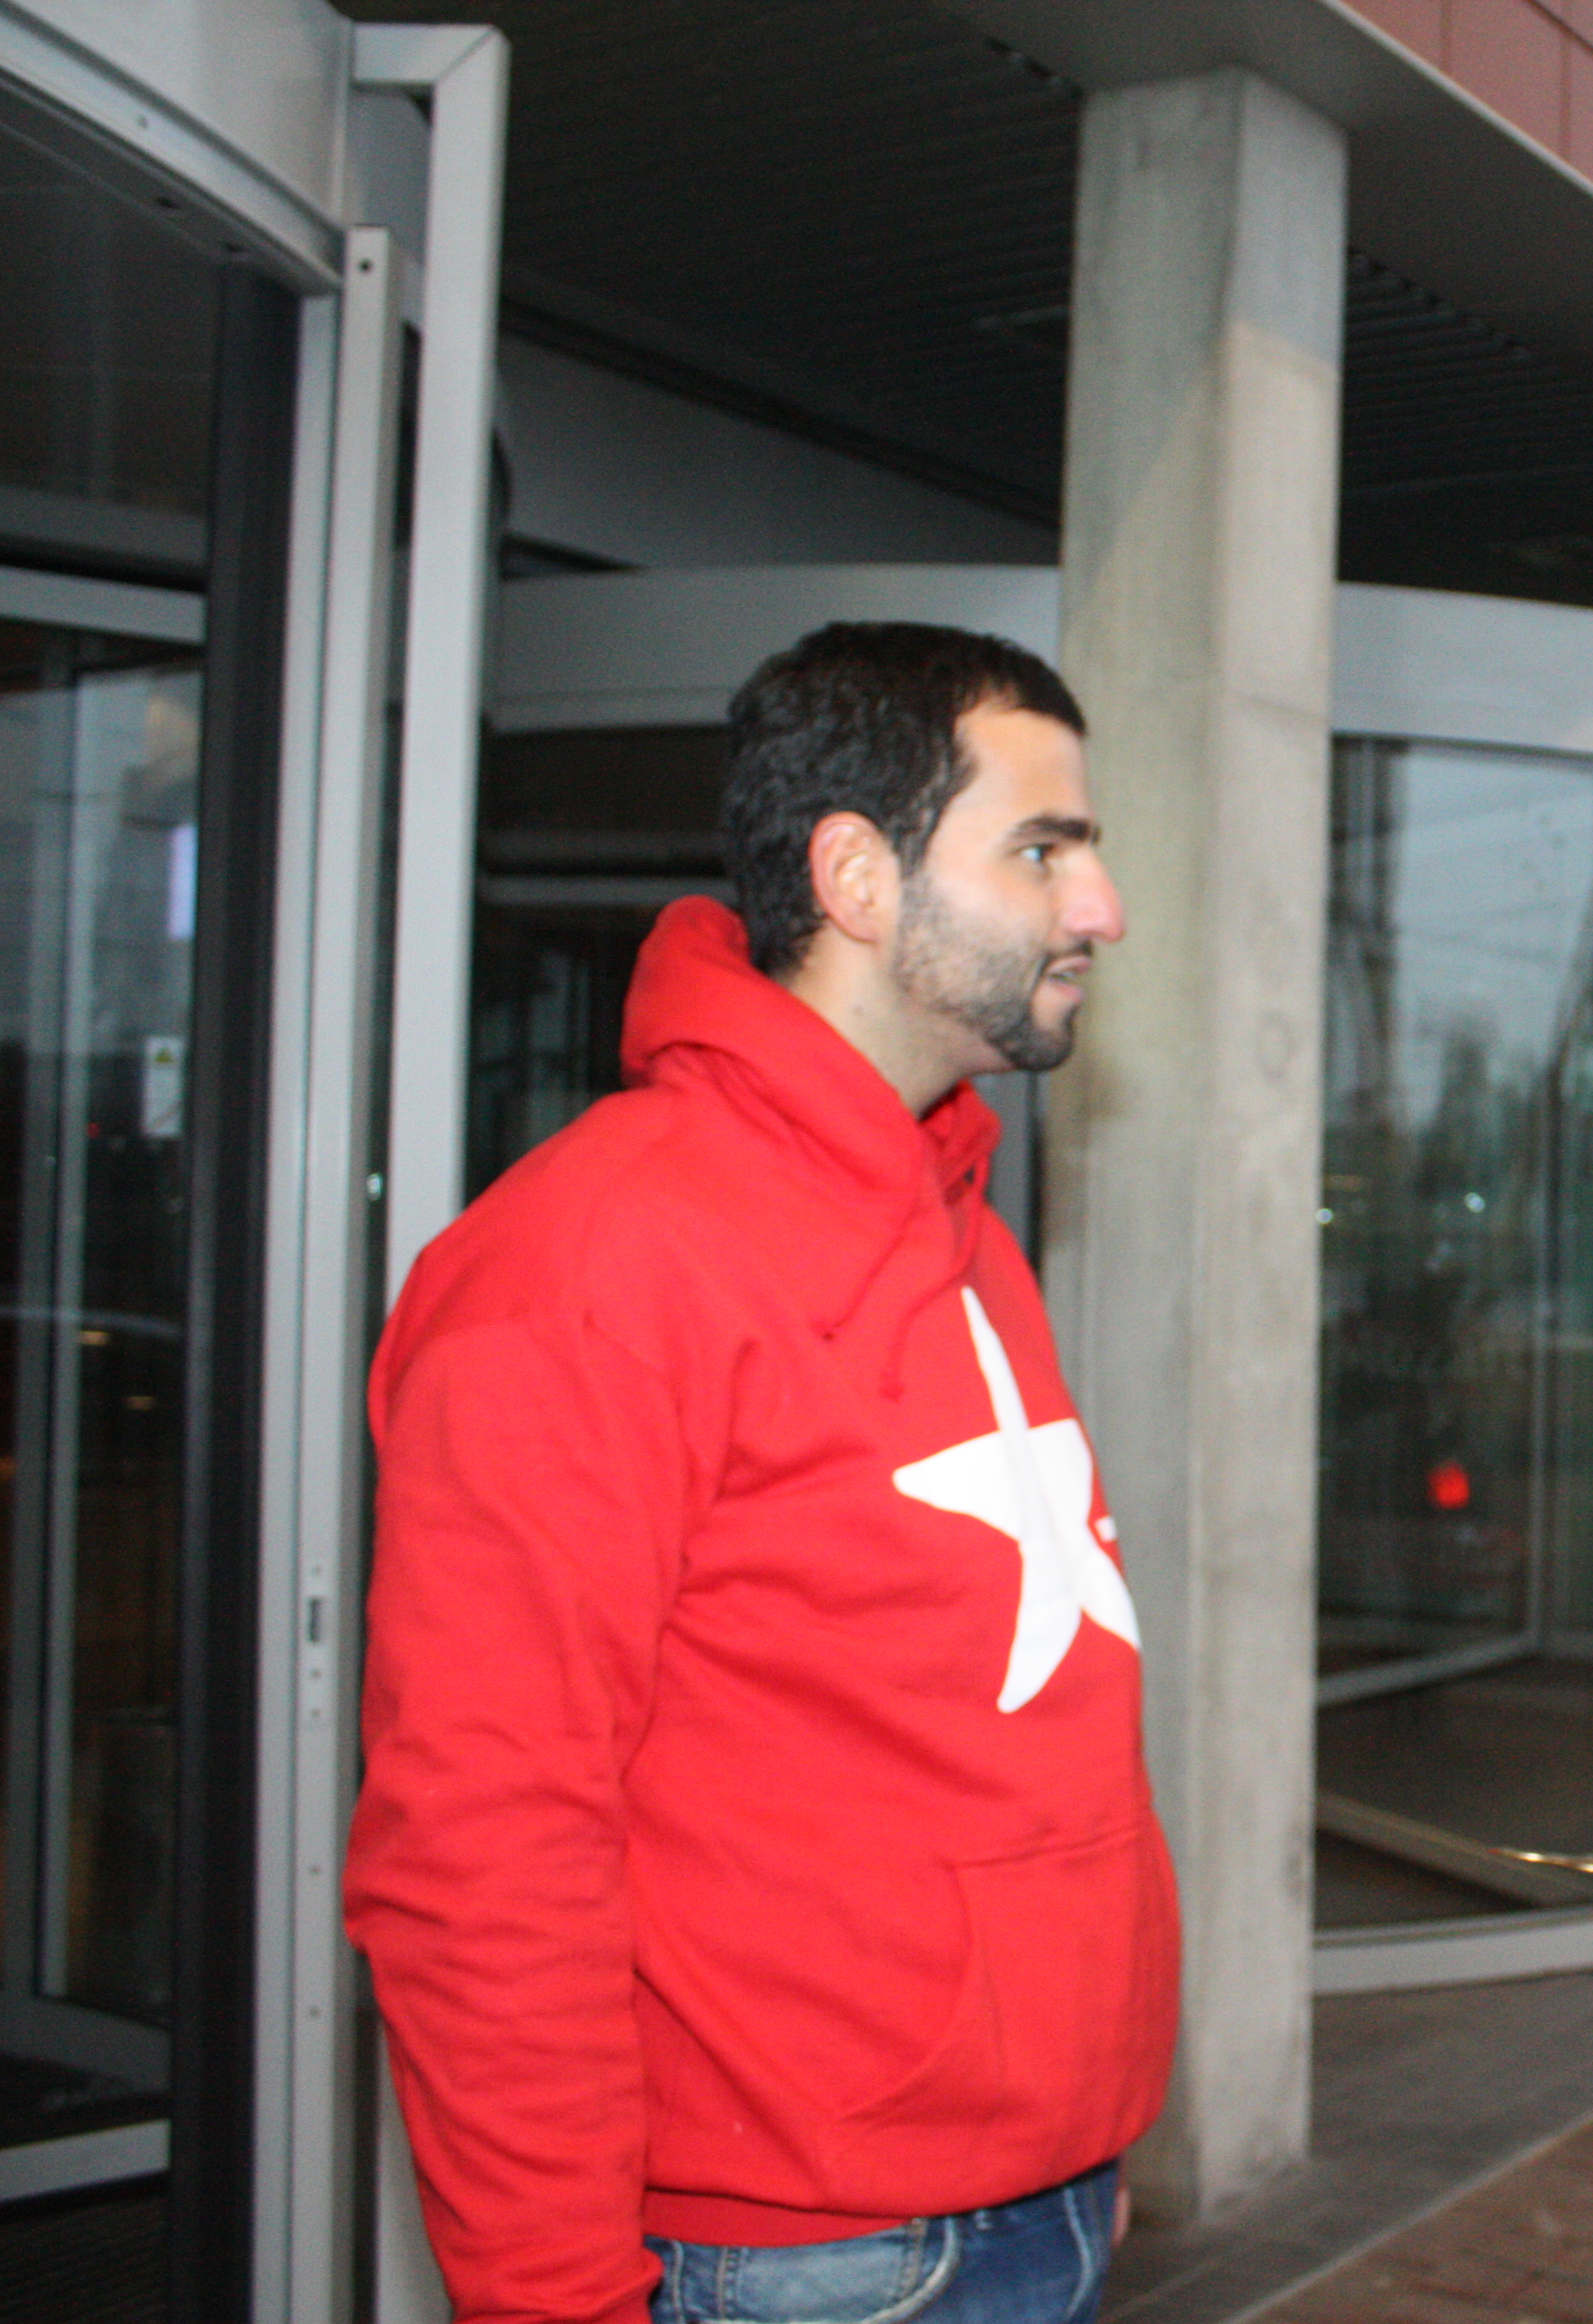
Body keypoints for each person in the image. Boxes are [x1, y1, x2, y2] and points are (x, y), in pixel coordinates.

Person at [346, 623, 1173, 2324]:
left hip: (1037, 2204)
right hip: (803, 2263)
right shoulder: (590, 1263)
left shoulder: (959, 1217)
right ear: (858, 877)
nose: (1100, 905)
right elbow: (484, 1853)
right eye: (1042, 847)